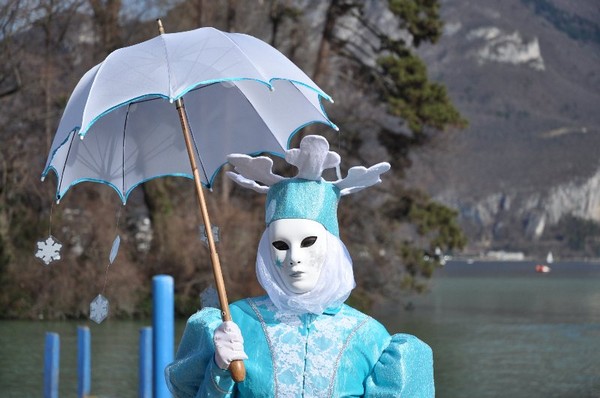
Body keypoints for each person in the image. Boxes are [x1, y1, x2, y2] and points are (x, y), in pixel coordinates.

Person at [165, 135, 434, 397]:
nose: (294, 257)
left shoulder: (370, 338)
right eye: (281, 245)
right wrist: (219, 369)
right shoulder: (234, 323)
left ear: (331, 247)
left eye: (308, 242)